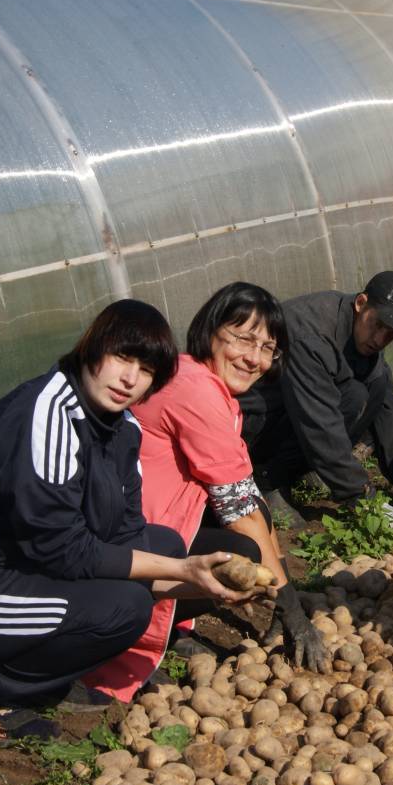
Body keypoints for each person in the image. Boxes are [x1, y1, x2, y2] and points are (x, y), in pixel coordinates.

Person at [0, 301, 251, 747]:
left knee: (166, 545)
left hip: (22, 566)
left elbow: (124, 533)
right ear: (92, 348)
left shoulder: (121, 430)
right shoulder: (49, 413)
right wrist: (180, 575)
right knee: (125, 607)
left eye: (145, 370)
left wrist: (200, 583)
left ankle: (43, 671)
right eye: (122, 358)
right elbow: (62, 550)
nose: (129, 379)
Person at [131, 283, 330, 672]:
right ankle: (141, 621)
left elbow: (248, 498)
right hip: (131, 540)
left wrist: (284, 592)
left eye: (267, 348)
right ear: (210, 331)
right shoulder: (196, 392)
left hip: (155, 525)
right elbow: (239, 511)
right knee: (244, 558)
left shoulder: (203, 382)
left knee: (254, 528)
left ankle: (166, 618)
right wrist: (292, 613)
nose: (254, 358)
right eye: (243, 340)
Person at [240, 271, 393, 526]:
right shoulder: (311, 335)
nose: (381, 339)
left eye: (391, 333)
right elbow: (319, 423)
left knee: (372, 388)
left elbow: (388, 409)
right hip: (251, 425)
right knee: (350, 397)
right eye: (379, 324)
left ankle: (301, 468)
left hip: (294, 411)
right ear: (361, 304)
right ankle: (265, 479)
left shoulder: (361, 332)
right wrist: (362, 498)